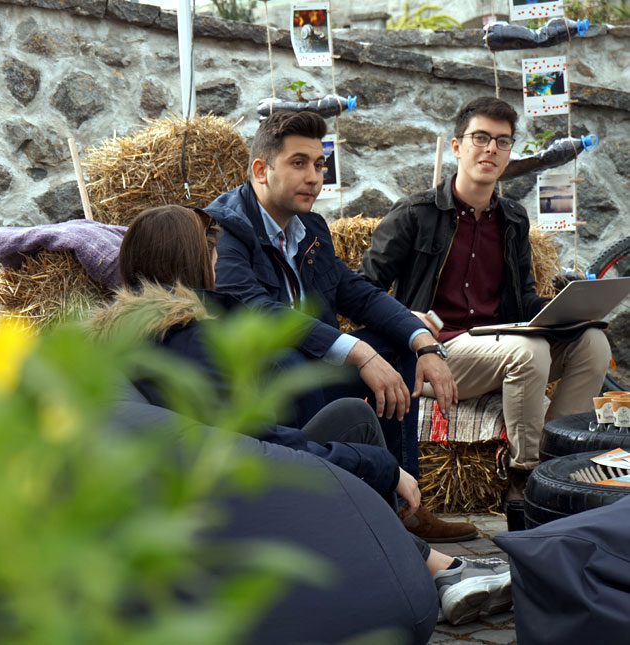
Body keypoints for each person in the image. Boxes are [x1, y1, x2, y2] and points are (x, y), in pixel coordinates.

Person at [90, 204, 512, 625]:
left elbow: (358, 295)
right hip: (245, 499)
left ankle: (427, 565)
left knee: (352, 416)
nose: (217, 254)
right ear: (191, 259)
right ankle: (432, 571)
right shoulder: (191, 340)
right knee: (354, 434)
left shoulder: (132, 337)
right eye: (210, 246)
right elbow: (263, 447)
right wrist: (383, 467)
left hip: (207, 486)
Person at [204, 110, 476, 543]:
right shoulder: (226, 230)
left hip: (309, 367)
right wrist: (358, 352)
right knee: (289, 360)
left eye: (319, 164)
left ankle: (404, 504)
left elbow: (355, 292)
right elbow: (257, 309)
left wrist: (423, 342)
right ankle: (329, 512)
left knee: (394, 347)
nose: (314, 177)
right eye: (299, 163)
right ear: (260, 170)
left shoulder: (310, 227)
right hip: (257, 384)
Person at [359, 97, 611, 528]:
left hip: (498, 345)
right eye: (480, 138)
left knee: (593, 344)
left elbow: (523, 299)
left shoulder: (513, 219)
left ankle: (555, 461)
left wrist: (565, 310)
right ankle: (524, 475)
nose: (491, 149)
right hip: (436, 354)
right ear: (457, 147)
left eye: (502, 141)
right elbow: (363, 287)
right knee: (528, 352)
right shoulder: (415, 214)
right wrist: (406, 322)